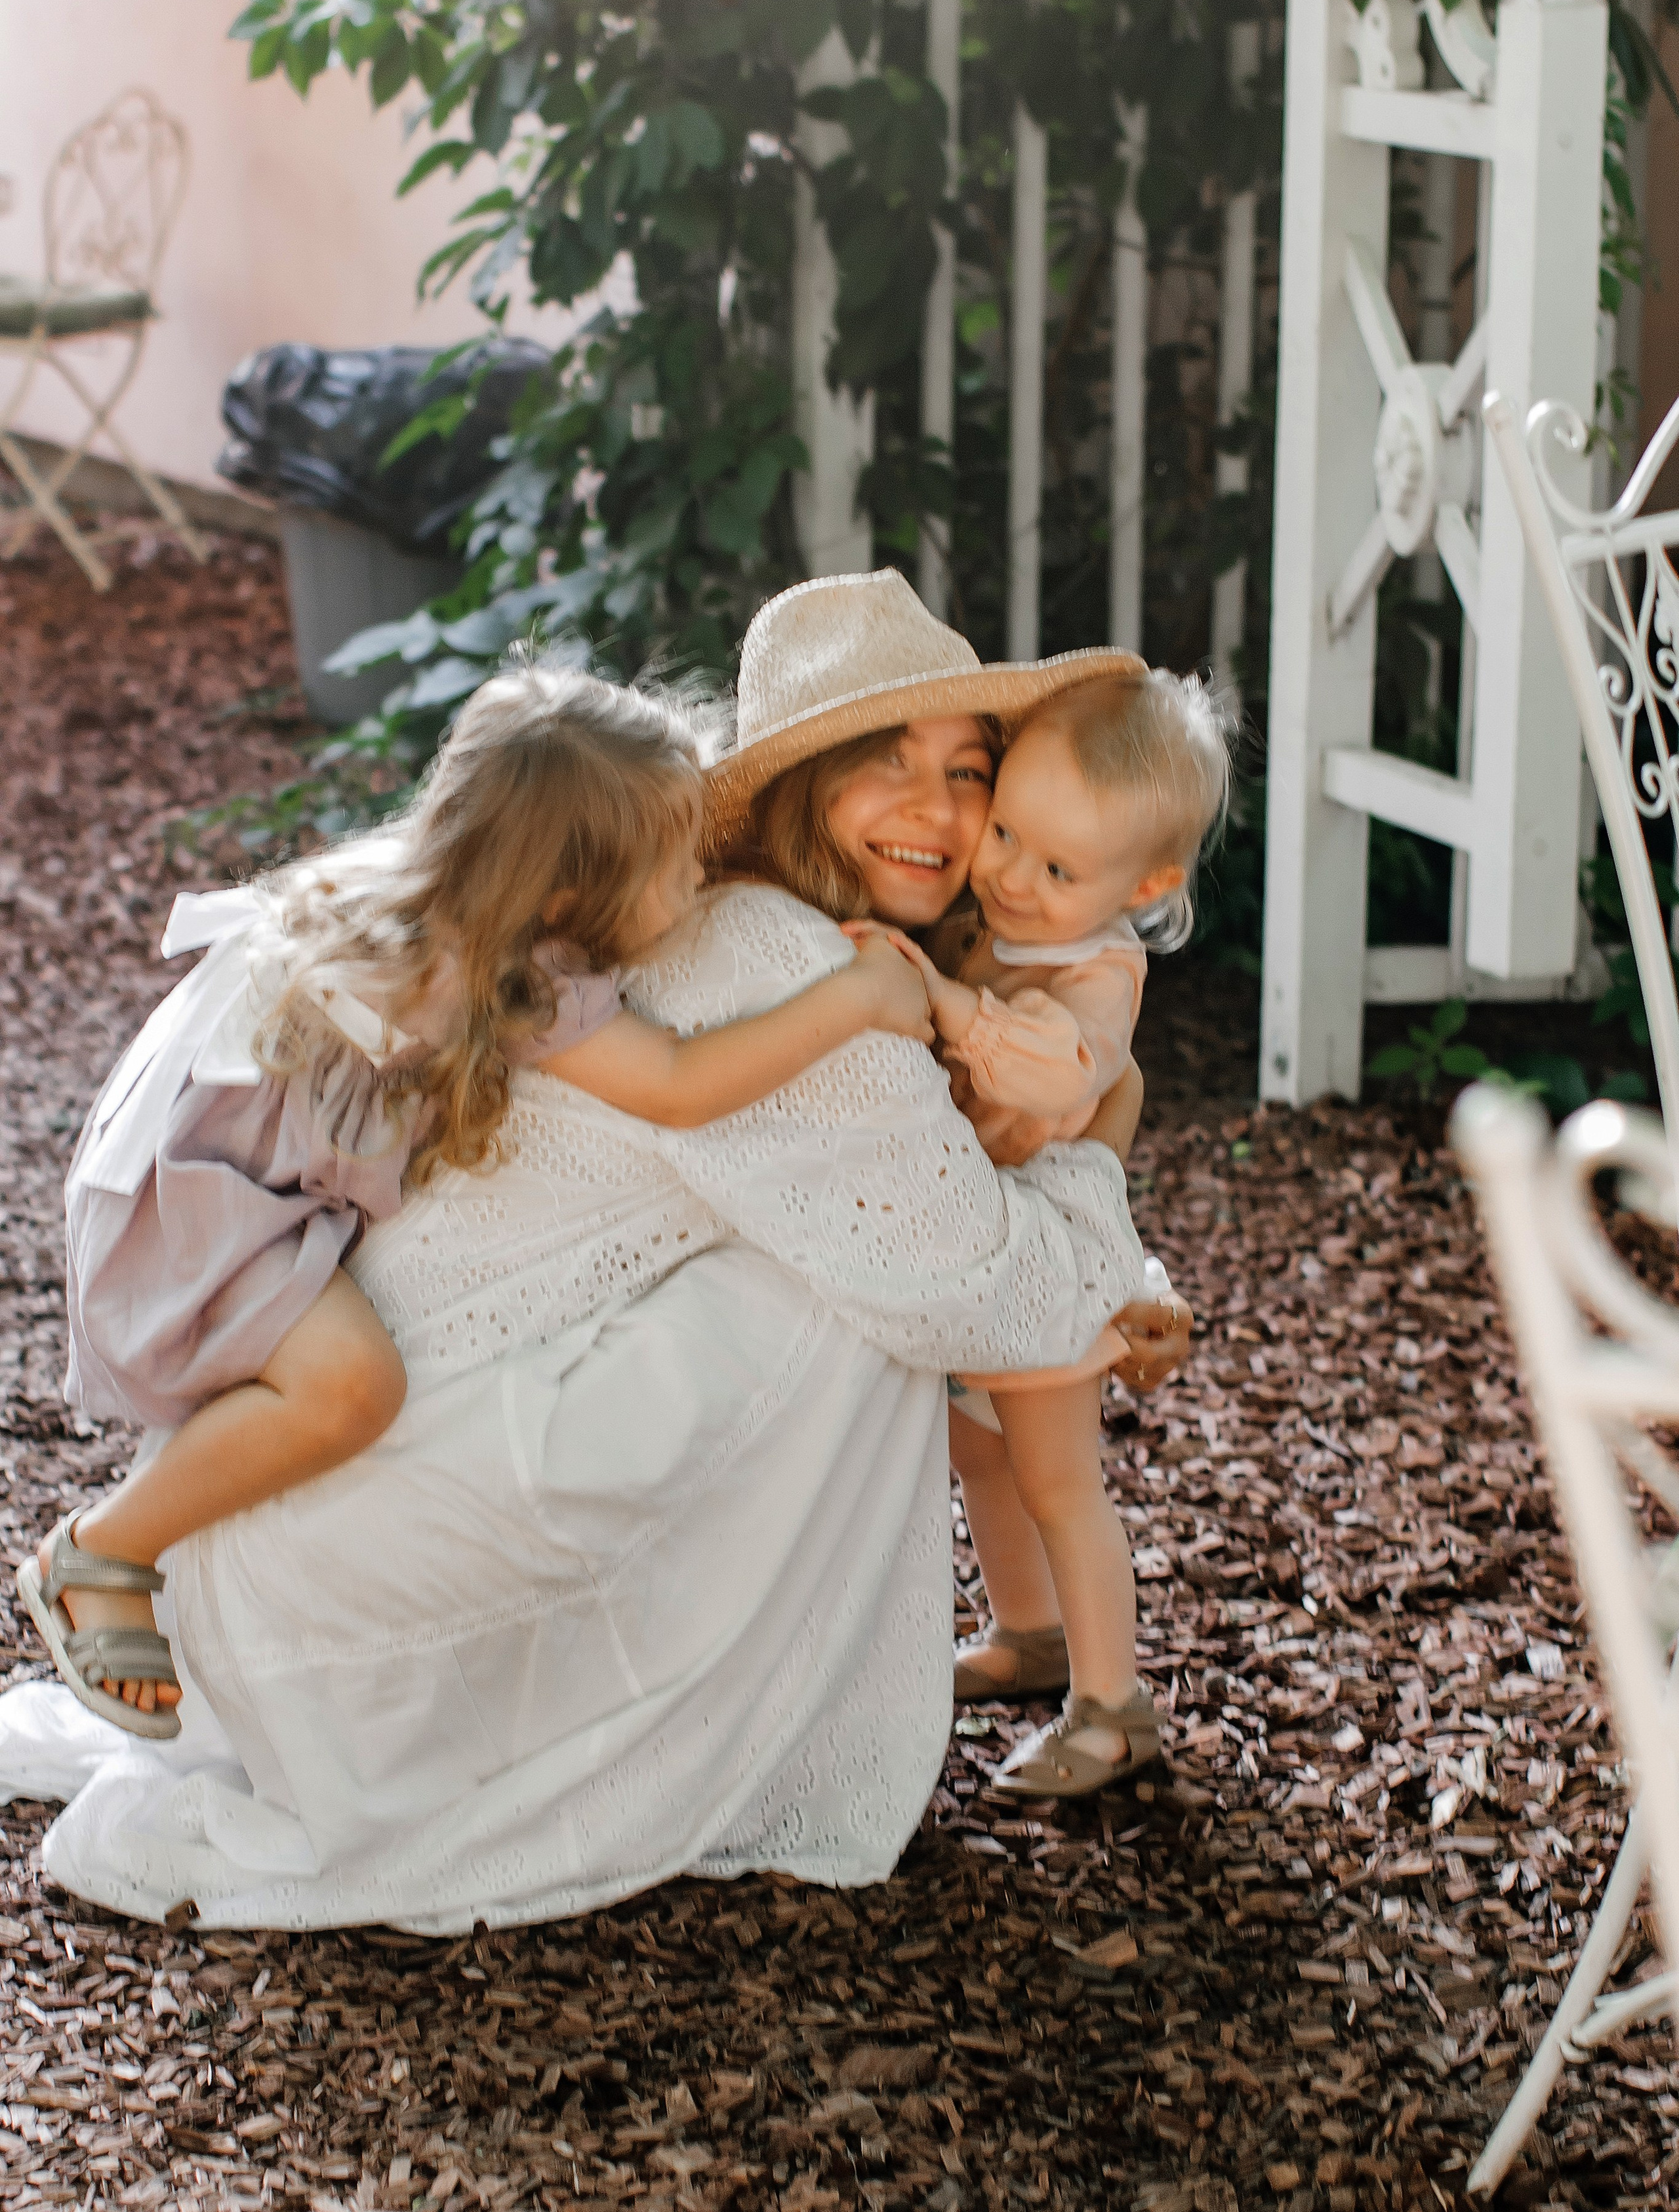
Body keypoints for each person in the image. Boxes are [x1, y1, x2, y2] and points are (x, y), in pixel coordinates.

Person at [4, 569, 1187, 1931]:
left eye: (967, 771)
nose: (937, 808)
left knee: (839, 1285)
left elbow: (945, 1216)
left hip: (308, 1522)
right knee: (848, 1314)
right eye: (887, 761)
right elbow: (976, 1283)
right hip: (347, 1570)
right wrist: (1112, 1142)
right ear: (802, 782)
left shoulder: (689, 920)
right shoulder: (788, 963)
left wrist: (1100, 1262)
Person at [25, 668, 931, 1742]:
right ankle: (102, 1552)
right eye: (678, 860)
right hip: (207, 1212)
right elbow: (680, 1086)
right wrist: (854, 999)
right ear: (567, 901)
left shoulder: (435, 889)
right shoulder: (511, 975)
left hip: (183, 1160)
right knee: (352, 1389)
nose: (699, 876)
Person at [866, 669, 1228, 1797]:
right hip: (988, 1247)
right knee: (980, 1453)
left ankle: (1113, 1708)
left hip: (1049, 1259)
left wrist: (947, 1004)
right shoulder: (1009, 925)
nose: (1013, 876)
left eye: (1058, 868)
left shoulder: (1098, 969)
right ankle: (1028, 1633)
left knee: (1060, 1481)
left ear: (1146, 886)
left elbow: (1066, 1072)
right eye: (1007, 834)